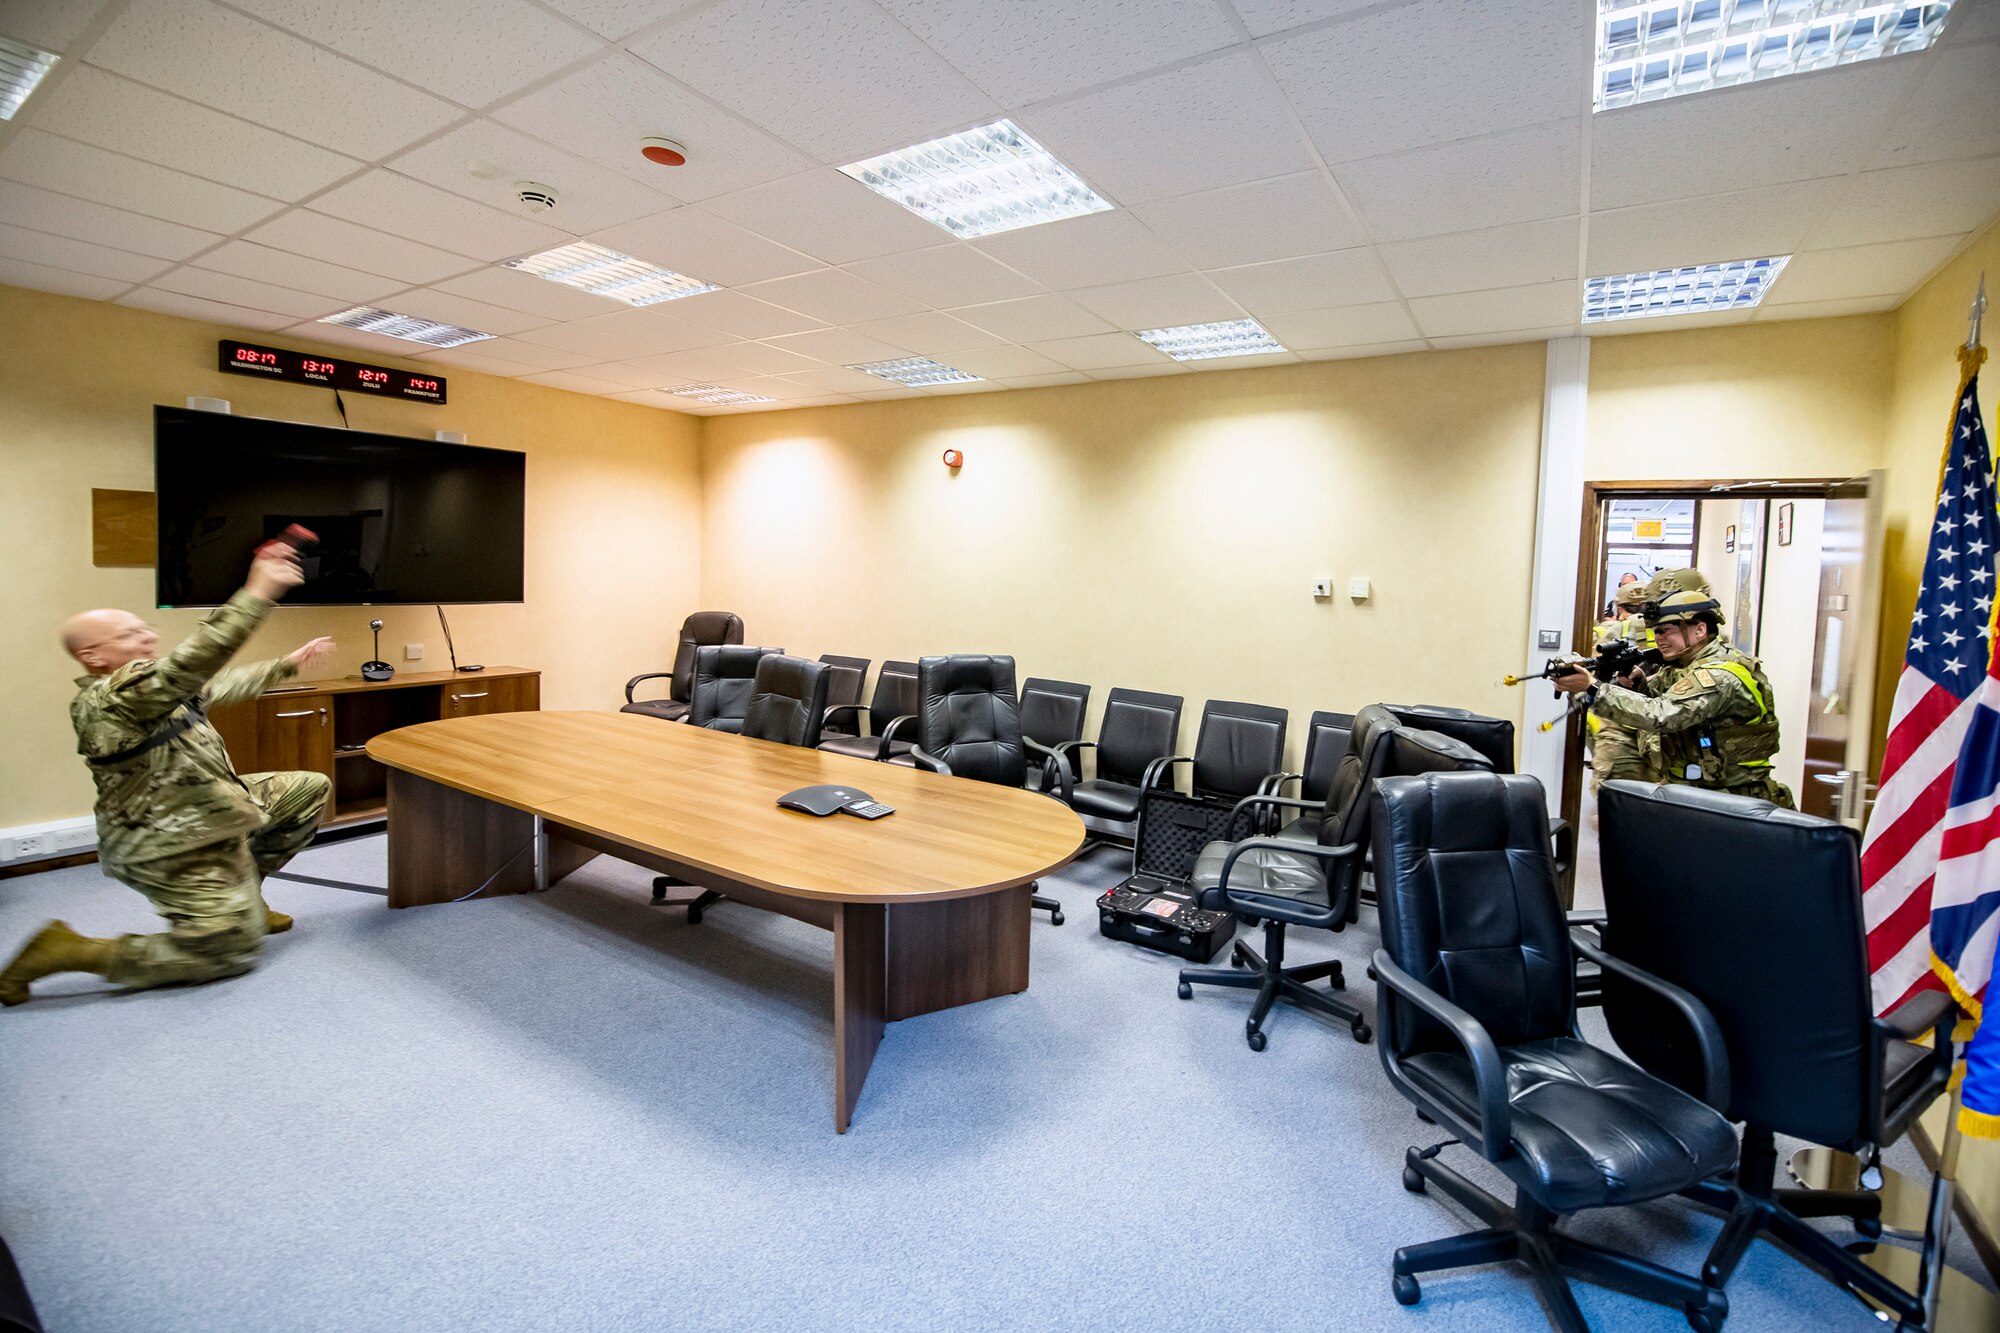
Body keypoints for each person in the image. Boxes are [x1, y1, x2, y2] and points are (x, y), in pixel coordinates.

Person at [0, 540, 338, 1006]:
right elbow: (194, 662)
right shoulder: (110, 698)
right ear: (93, 657)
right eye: (129, 634)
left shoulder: (150, 689)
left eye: (145, 628)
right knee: (229, 954)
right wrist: (256, 592)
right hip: (165, 841)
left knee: (307, 789)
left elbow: (212, 684)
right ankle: (67, 950)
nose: (146, 638)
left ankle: (246, 894)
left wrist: (285, 665)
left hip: (210, 808)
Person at [1554, 578, 1793, 808]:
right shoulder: (1684, 665)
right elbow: (1659, 699)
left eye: (1666, 630)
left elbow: (1662, 714)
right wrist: (1639, 684)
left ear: (1700, 630)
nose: (1659, 639)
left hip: (1734, 798)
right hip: (1700, 790)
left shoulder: (1719, 675)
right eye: (1656, 632)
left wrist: (1592, 686)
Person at [1588, 580, 1661, 790]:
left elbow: (1597, 678)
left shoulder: (1616, 632)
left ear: (1619, 607)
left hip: (1623, 728)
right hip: (1660, 731)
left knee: (1617, 796)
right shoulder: (1676, 632)